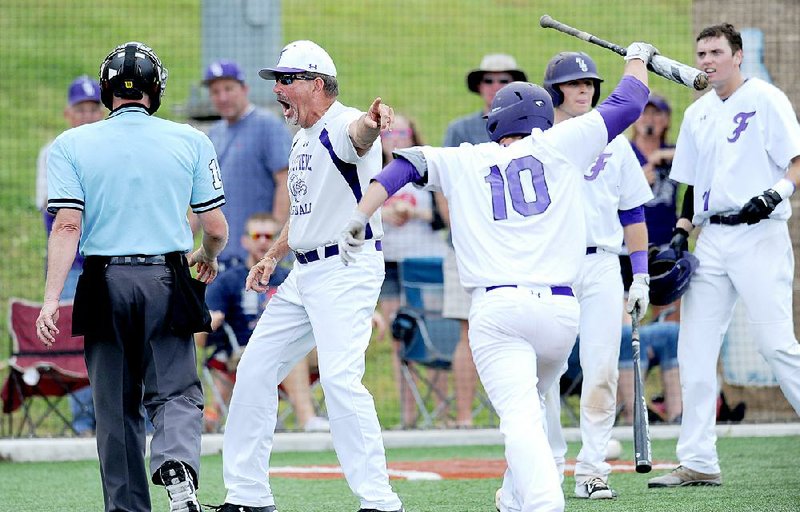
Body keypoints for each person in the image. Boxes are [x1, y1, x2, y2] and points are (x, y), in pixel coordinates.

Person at [339, 44, 656, 512]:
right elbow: (630, 101)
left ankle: (545, 504)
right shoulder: (562, 144)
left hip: (499, 312)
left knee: (523, 418)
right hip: (560, 314)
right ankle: (512, 496)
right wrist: (637, 56)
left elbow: (404, 165)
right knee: (534, 399)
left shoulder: (467, 157)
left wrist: (361, 214)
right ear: (543, 118)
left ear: (496, 122)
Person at [36, 41, 228, 512]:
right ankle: (178, 466)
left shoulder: (70, 144)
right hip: (166, 275)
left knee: (115, 411)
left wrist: (49, 299)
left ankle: (127, 508)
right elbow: (216, 227)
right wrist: (206, 253)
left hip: (101, 282)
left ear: (107, 92)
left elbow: (66, 224)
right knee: (177, 390)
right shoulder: (191, 140)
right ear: (155, 90)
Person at [217, 40, 403, 512]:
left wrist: (372, 121)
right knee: (255, 369)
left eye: (286, 80)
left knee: (341, 379)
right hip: (305, 271)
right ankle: (248, 497)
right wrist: (272, 256)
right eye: (275, 81)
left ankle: (381, 502)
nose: (277, 89)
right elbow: (305, 213)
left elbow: (361, 134)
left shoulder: (343, 123)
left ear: (316, 84)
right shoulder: (302, 135)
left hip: (345, 267)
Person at [648, 23, 800, 488]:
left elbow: (797, 162)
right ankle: (698, 461)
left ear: (737, 56)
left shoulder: (767, 98)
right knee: (693, 350)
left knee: (776, 345)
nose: (707, 60)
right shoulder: (697, 114)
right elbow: (693, 184)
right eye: (700, 53)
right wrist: (680, 233)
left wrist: (775, 194)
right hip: (711, 239)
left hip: (760, 234)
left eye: (715, 51)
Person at [540, 51, 653, 500]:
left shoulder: (618, 143)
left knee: (601, 367)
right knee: (544, 372)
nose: (584, 88)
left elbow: (633, 212)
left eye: (589, 82)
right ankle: (547, 464)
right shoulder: (539, 141)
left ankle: (592, 469)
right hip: (553, 264)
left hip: (605, 263)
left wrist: (639, 275)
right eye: (573, 83)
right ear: (556, 91)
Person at [439, 53, 527, 427]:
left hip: (513, 247)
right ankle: (464, 419)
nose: (494, 87)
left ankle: (517, 415)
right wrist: (463, 233)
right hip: (466, 248)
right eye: (488, 81)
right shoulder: (460, 130)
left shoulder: (529, 127)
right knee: (467, 329)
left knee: (519, 327)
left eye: (502, 80)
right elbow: (442, 188)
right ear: (479, 86)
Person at [197, 212, 329, 432]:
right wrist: (209, 322)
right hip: (242, 350)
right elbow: (201, 332)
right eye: (257, 235)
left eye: (269, 236)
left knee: (332, 346)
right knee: (287, 349)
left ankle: (347, 416)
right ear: (245, 240)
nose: (263, 241)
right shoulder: (228, 280)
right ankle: (307, 419)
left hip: (292, 347)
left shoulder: (291, 277)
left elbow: (322, 308)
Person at [35, 75, 105, 437]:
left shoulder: (111, 147)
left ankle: (122, 419)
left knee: (116, 337)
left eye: (94, 108)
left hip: (108, 262)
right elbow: (54, 212)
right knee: (75, 343)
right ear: (68, 113)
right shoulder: (55, 151)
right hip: (74, 266)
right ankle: (82, 424)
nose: (88, 115)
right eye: (81, 109)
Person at [377, 114, 448, 427]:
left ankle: (442, 413)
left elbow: (445, 217)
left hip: (426, 264)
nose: (394, 137)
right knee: (399, 339)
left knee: (434, 335)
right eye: (388, 132)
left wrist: (414, 212)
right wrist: (384, 213)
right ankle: (407, 416)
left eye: (402, 131)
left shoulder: (427, 171)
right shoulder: (372, 174)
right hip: (389, 264)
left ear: (413, 135)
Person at [203, 59, 293, 268]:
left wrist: (273, 241)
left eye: (228, 89)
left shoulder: (267, 125)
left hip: (258, 259)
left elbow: (285, 181)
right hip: (221, 258)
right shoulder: (215, 133)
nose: (222, 97)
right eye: (215, 92)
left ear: (244, 88)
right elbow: (204, 193)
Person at [617, 317, 681, 424]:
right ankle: (634, 419)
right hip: (588, 338)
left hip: (628, 329)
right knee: (629, 336)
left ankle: (676, 420)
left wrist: (642, 340)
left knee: (672, 332)